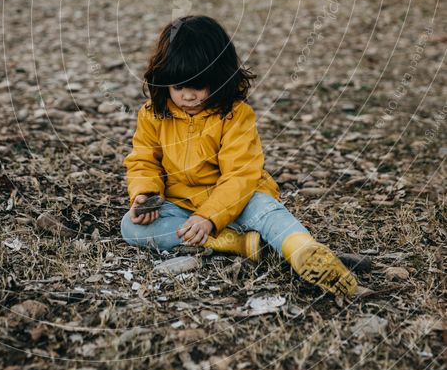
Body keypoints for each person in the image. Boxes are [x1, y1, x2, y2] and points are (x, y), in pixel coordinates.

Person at [121, 15, 358, 298]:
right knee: (130, 227)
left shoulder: (235, 115)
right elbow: (143, 160)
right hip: (181, 204)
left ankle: (303, 250)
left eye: (198, 86)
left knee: (268, 211)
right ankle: (238, 243)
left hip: (239, 199)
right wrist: (144, 195)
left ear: (220, 78)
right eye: (179, 87)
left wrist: (210, 216)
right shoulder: (153, 114)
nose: (188, 97)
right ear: (164, 82)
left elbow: (241, 174)